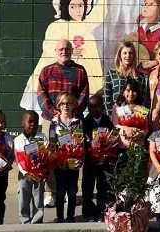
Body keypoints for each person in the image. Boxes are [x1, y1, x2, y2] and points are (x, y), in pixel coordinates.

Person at [20, 0, 102, 114]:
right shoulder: (57, 26)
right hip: (55, 79)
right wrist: (69, 51)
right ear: (66, 7)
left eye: (80, 6)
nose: (78, 10)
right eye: (73, 6)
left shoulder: (86, 28)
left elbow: (92, 55)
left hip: (75, 80)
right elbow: (48, 47)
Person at [37, 38, 89, 207]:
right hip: (50, 121)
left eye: (67, 48)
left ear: (71, 50)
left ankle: (70, 191)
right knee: (51, 155)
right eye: (61, 49)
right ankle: (51, 192)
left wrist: (71, 112)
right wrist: (55, 114)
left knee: (73, 152)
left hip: (73, 121)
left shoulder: (80, 71)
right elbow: (41, 95)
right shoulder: (46, 71)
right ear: (55, 51)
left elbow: (84, 95)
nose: (64, 51)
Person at [50, 92, 83, 223]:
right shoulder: (54, 122)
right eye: (62, 103)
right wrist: (57, 160)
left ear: (73, 105)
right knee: (60, 191)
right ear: (58, 105)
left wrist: (79, 161)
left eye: (68, 103)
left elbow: (81, 143)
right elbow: (52, 143)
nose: (65, 106)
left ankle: (70, 217)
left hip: (73, 163)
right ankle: (59, 217)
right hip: (60, 163)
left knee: (72, 191)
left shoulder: (78, 121)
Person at [81, 95, 114, 222]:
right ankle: (88, 213)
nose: (94, 109)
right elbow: (82, 141)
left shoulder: (107, 121)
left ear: (103, 107)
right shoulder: (85, 122)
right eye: (90, 106)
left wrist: (106, 152)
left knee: (103, 187)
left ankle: (101, 212)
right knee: (88, 187)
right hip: (90, 160)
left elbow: (112, 139)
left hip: (104, 161)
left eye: (97, 106)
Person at [14, 110, 47, 224]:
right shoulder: (18, 140)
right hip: (25, 175)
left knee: (38, 198)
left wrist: (42, 170)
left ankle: (37, 222)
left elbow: (46, 156)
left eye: (36, 122)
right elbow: (18, 160)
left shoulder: (42, 137)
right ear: (22, 123)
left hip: (39, 173)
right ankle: (25, 221)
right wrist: (25, 173)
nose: (33, 124)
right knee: (24, 198)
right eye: (30, 122)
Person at [103, 41, 149, 117]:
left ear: (134, 55)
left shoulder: (140, 76)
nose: (128, 56)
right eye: (125, 53)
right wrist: (113, 117)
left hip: (135, 119)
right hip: (116, 119)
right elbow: (107, 98)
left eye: (130, 53)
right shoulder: (111, 74)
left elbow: (143, 100)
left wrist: (139, 118)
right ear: (120, 55)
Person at [112, 78, 149, 149]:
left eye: (134, 91)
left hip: (138, 146)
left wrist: (141, 134)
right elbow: (115, 125)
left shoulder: (142, 108)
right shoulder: (117, 107)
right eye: (128, 91)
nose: (131, 94)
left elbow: (146, 128)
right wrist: (126, 129)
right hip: (123, 145)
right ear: (123, 92)